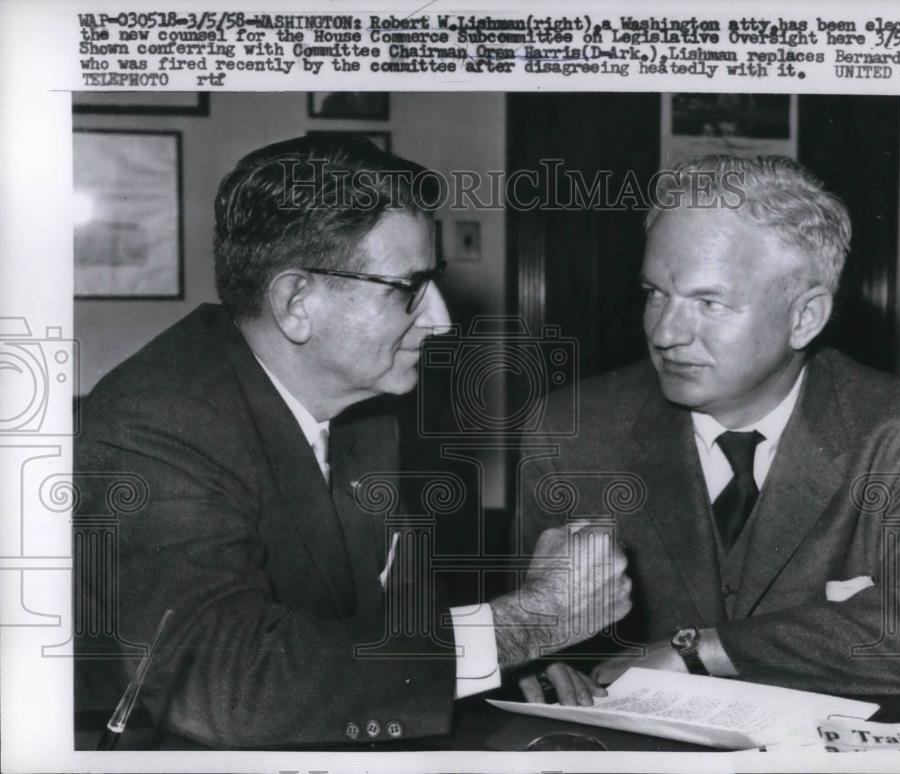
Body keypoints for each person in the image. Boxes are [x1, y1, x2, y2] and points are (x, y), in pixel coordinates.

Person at [74, 135, 630, 748]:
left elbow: (391, 624)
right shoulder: (154, 427)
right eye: (407, 289)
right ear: (296, 303)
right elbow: (225, 688)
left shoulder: (362, 410)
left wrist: (501, 664)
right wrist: (530, 624)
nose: (441, 321)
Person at [518, 155, 900, 705]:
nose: (665, 332)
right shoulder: (571, 430)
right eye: (655, 293)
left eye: (709, 302)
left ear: (805, 317)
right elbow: (531, 633)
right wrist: (539, 667)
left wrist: (700, 650)